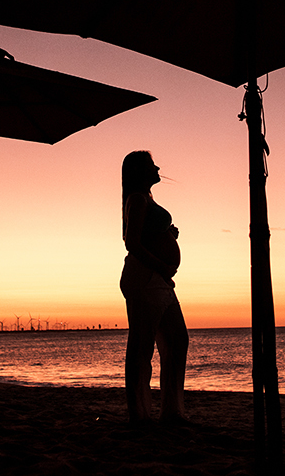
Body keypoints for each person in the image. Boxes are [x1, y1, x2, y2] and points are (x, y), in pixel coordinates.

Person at [119, 150, 189, 426]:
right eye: (151, 165)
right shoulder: (136, 198)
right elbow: (131, 242)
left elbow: (144, 237)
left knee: (177, 340)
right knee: (141, 347)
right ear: (138, 171)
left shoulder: (146, 198)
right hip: (146, 277)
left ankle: (171, 411)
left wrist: (166, 236)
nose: (158, 167)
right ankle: (139, 414)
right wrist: (163, 266)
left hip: (157, 279)